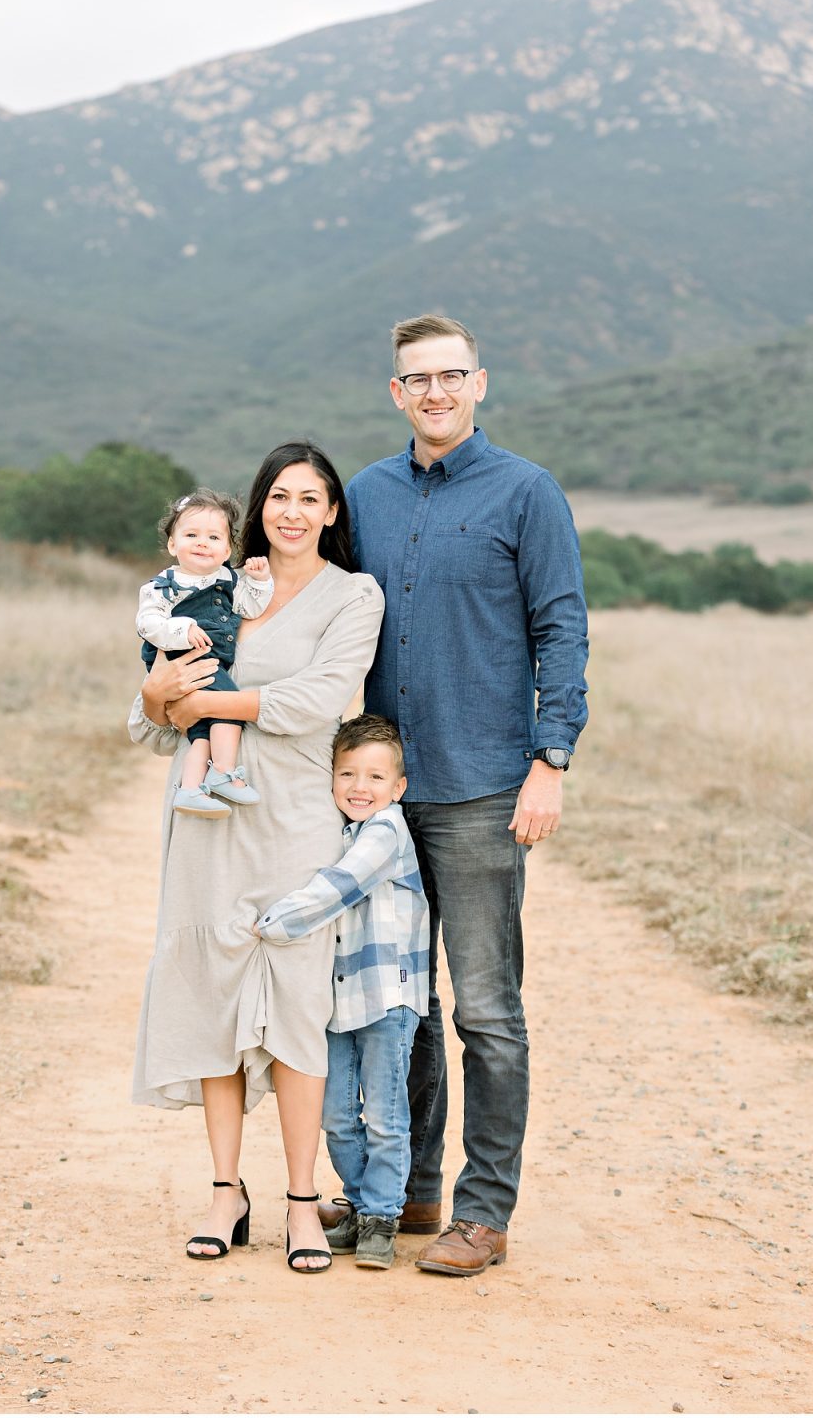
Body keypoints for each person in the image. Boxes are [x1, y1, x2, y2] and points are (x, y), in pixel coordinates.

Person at [344, 313, 589, 1277]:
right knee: (397, 1004)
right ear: (396, 392)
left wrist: (550, 759)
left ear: (479, 384)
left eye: (452, 375)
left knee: (485, 1011)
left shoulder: (527, 492)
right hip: (383, 796)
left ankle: (484, 1213)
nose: (436, 392)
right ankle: (410, 1191)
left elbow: (561, 629)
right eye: (418, 379)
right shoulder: (365, 494)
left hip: (484, 788)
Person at [129, 440, 384, 1274]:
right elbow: (148, 717)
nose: (292, 512)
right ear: (259, 505)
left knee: (299, 1004)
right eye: (279, 496)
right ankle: (225, 1192)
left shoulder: (354, 595)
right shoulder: (219, 583)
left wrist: (195, 702)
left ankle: (302, 1201)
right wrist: (157, 698)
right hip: (207, 824)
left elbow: (318, 701)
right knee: (213, 994)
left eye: (310, 498)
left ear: (332, 511)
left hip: (294, 817)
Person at [253, 713, 429, 1270]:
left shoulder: (385, 832)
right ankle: (360, 1203)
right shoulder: (339, 830)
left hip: (386, 998)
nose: (359, 787)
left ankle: (382, 1216)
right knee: (335, 1115)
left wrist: (271, 923)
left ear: (398, 787)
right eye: (347, 773)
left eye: (376, 777)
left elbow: (340, 887)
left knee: (385, 1116)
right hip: (337, 1002)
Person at [136, 487, 273, 817]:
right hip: (183, 659)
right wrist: (181, 629)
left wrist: (260, 581)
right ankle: (223, 773)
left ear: (227, 550)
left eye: (213, 537)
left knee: (201, 733)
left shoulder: (227, 580)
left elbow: (250, 608)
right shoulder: (165, 584)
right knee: (229, 709)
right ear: (173, 544)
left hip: (208, 662)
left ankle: (190, 789)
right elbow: (147, 622)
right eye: (191, 535)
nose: (202, 543)